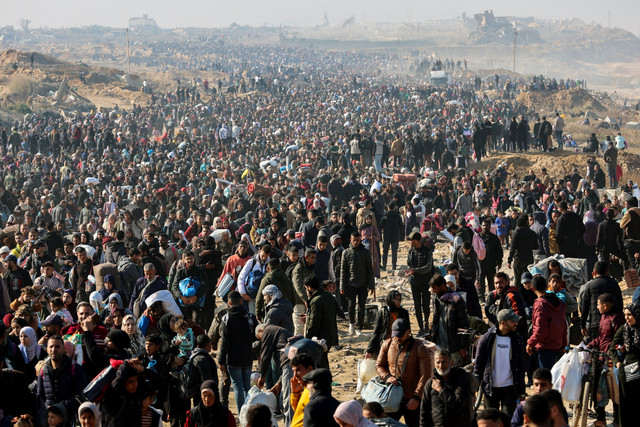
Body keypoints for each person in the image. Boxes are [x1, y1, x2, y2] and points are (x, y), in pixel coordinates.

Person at [375, 318, 431, 427]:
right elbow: (379, 365)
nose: (397, 338)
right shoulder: (387, 344)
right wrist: (387, 377)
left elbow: (425, 375)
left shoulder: (419, 348)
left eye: (401, 334)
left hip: (411, 400)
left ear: (409, 331)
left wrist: (416, 397)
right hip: (392, 397)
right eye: (395, 334)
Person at [474, 309, 526, 416]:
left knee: (507, 420)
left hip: (510, 389)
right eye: (512, 321)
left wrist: (521, 391)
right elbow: (478, 365)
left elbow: (521, 367)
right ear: (503, 322)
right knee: (492, 420)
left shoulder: (517, 340)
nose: (516, 323)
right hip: (490, 389)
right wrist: (475, 388)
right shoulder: (487, 339)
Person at [586, 293, 623, 425]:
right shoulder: (603, 317)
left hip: (611, 360)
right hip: (600, 359)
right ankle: (600, 419)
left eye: (598, 304)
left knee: (614, 392)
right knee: (598, 389)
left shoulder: (617, 319)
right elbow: (602, 338)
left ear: (605, 306)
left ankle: (617, 421)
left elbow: (618, 341)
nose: (597, 307)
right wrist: (588, 345)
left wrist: (612, 352)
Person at [218, 291, 256, 411]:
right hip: (247, 356)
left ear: (229, 303)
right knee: (247, 386)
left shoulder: (226, 318)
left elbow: (225, 342)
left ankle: (241, 413)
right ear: (241, 301)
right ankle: (248, 412)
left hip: (233, 358)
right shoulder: (249, 316)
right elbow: (256, 336)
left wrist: (221, 360)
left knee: (238, 386)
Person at [419, 349, 473, 427]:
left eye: (444, 362)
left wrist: (441, 390)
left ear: (451, 363)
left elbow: (458, 405)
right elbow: (424, 410)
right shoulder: (431, 383)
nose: (441, 366)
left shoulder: (461, 379)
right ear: (434, 364)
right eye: (438, 362)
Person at [36, 335, 88, 416]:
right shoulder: (43, 370)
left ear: (64, 349)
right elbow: (40, 398)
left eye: (57, 346)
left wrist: (60, 407)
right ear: (47, 349)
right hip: (49, 419)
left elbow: (81, 397)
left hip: (69, 417)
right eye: (51, 347)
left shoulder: (75, 369)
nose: (53, 350)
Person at [526, 275, 567, 369]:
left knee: (546, 379)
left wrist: (530, 343)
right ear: (546, 286)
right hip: (558, 346)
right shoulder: (559, 302)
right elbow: (563, 325)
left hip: (545, 348)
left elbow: (540, 329)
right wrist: (563, 345)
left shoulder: (540, 304)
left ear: (532, 288)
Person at [610, 302, 640, 427]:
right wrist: (617, 362)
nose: (627, 318)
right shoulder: (624, 329)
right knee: (627, 400)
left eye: (630, 315)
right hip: (628, 368)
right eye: (625, 315)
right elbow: (612, 347)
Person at [340, 231, 375, 336]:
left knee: (361, 307)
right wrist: (342, 286)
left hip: (362, 284)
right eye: (354, 240)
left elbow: (370, 270)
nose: (356, 242)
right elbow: (343, 271)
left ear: (360, 240)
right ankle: (351, 324)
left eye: (357, 240)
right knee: (351, 306)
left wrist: (371, 285)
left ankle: (359, 327)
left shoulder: (365, 252)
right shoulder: (346, 253)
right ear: (350, 240)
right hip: (350, 284)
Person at [429, 275, 469, 365]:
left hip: (453, 346)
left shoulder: (456, 299)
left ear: (443, 286)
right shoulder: (436, 299)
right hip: (438, 345)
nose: (434, 291)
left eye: (435, 288)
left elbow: (463, 324)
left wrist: (462, 347)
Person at [580, 261, 624, 340]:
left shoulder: (590, 285)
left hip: (597, 323)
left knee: (599, 346)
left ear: (595, 272)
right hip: (614, 321)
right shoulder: (614, 283)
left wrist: (582, 325)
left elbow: (585, 307)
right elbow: (620, 303)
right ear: (607, 271)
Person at [405, 232, 434, 337]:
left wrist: (415, 270)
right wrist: (410, 271)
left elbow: (428, 267)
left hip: (426, 282)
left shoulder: (427, 251)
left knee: (426, 305)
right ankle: (420, 328)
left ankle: (426, 323)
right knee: (417, 306)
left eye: (411, 240)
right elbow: (409, 264)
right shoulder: (411, 251)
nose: (409, 242)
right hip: (415, 283)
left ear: (416, 240)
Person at [365, 290, 410, 359]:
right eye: (396, 299)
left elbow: (408, 330)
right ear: (391, 300)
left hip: (400, 344)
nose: (398, 302)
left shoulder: (403, 313)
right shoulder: (383, 313)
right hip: (386, 343)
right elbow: (376, 332)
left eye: (399, 300)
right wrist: (369, 350)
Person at [305, 276, 338, 367]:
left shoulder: (315, 301)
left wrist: (308, 339)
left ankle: (325, 380)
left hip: (321, 337)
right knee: (323, 359)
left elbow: (314, 323)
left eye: (306, 288)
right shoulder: (328, 295)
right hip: (331, 335)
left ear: (309, 288)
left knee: (321, 362)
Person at [485, 272, 528, 340]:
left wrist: (509, 331)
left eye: (501, 282)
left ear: (507, 282)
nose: (498, 285)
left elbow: (519, 317)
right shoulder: (501, 295)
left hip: (516, 336)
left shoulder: (511, 296)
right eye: (496, 283)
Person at [507, 215, 538, 295]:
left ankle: (517, 296)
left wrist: (509, 260)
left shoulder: (516, 232)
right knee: (528, 279)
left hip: (518, 259)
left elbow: (512, 248)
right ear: (526, 222)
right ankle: (528, 295)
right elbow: (536, 246)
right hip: (529, 259)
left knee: (517, 279)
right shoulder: (532, 232)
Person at [479, 218, 503, 300]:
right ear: (481, 226)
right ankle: (481, 297)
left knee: (491, 282)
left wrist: (499, 262)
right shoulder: (477, 237)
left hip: (491, 264)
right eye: (483, 225)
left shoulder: (494, 238)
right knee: (481, 281)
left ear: (490, 227)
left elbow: (499, 251)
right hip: (480, 264)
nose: (485, 227)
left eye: (487, 225)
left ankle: (492, 297)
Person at [290, 353, 315, 427]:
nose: (295, 375)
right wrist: (295, 393)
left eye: (298, 370)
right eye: (293, 371)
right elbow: (299, 411)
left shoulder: (314, 391)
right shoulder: (306, 388)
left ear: (310, 369)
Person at [380, 203, 403, 271]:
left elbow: (381, 225)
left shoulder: (385, 216)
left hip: (387, 236)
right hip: (395, 236)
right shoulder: (398, 216)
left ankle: (384, 266)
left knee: (385, 252)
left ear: (388, 207)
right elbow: (401, 226)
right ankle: (394, 266)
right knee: (394, 252)